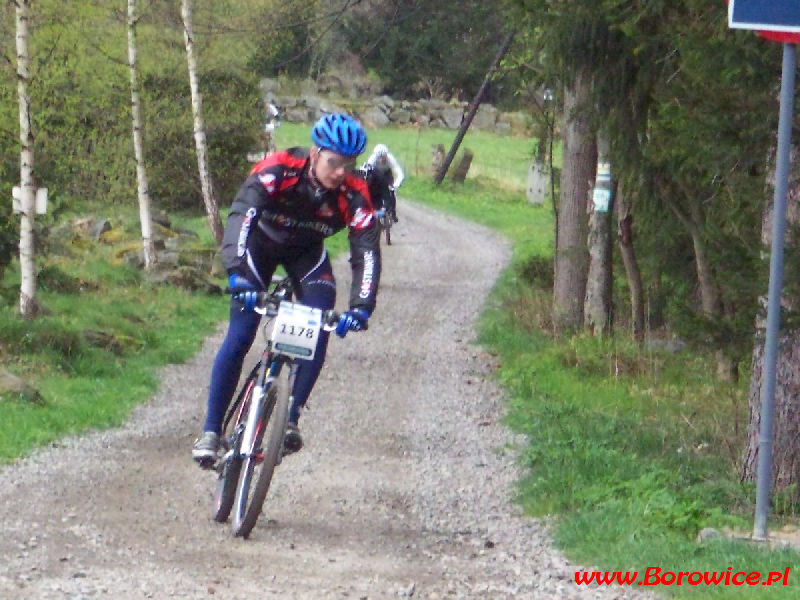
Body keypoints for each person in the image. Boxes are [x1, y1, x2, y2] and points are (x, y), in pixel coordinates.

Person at [192, 113, 381, 466]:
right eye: (334, 162)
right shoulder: (278, 168)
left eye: (349, 164)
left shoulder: (354, 192)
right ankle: (211, 431)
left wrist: (361, 307)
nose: (341, 172)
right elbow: (241, 217)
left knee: (319, 323)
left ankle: (289, 419)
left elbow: (366, 250)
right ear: (315, 153)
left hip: (306, 255)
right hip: (259, 248)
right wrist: (238, 274)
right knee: (242, 333)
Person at [360, 143, 404, 222]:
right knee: (372, 191)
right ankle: (372, 209)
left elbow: (399, 173)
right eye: (379, 158)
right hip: (376, 174)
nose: (381, 160)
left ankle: (392, 212)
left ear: (386, 155)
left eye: (383, 157)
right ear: (376, 157)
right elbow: (366, 172)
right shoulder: (372, 159)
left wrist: (395, 185)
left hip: (387, 173)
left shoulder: (391, 159)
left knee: (391, 192)